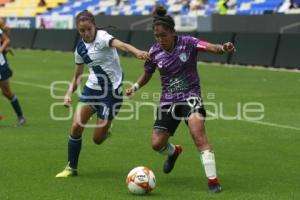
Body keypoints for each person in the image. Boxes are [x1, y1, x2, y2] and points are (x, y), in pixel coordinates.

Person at [126, 7, 235, 193]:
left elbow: (211, 48)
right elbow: (147, 73)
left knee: (198, 136)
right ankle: (174, 152)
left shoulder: (188, 43)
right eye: (157, 36)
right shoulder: (155, 51)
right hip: (168, 101)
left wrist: (223, 48)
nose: (160, 39)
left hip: (191, 96)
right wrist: (135, 87)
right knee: (156, 144)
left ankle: (213, 181)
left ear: (173, 32)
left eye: (164, 35)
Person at [55, 10, 149, 178]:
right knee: (76, 126)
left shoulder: (103, 36)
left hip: (111, 94)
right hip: (91, 90)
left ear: (94, 26)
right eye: (82, 31)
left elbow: (122, 45)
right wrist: (69, 93)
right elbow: (77, 75)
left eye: (89, 29)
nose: (86, 33)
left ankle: (107, 128)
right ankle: (71, 167)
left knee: (97, 139)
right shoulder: (80, 48)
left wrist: (136, 52)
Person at [0, 20, 26, 127]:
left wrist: (1, 50)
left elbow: (6, 40)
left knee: (7, 92)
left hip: (0, 66)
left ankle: (21, 116)